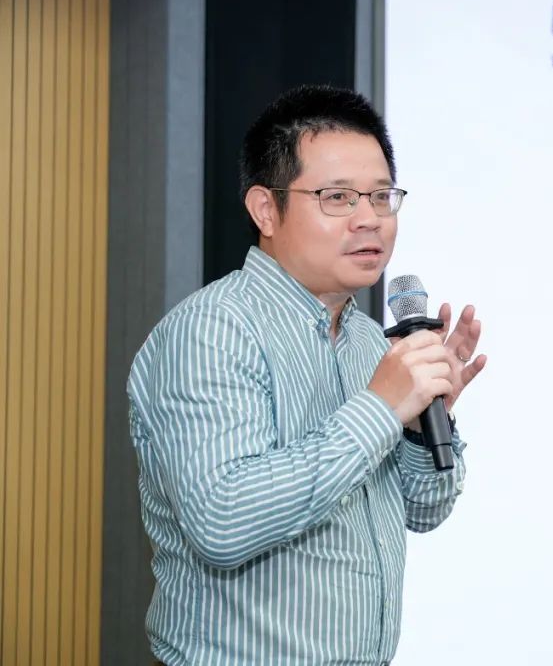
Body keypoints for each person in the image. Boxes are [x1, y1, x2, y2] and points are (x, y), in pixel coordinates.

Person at [127, 84, 486, 665]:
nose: (369, 219)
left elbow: (422, 511)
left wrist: (423, 424)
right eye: (338, 197)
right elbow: (223, 521)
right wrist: (380, 408)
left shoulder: (370, 340)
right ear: (266, 210)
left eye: (382, 196)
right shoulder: (212, 330)